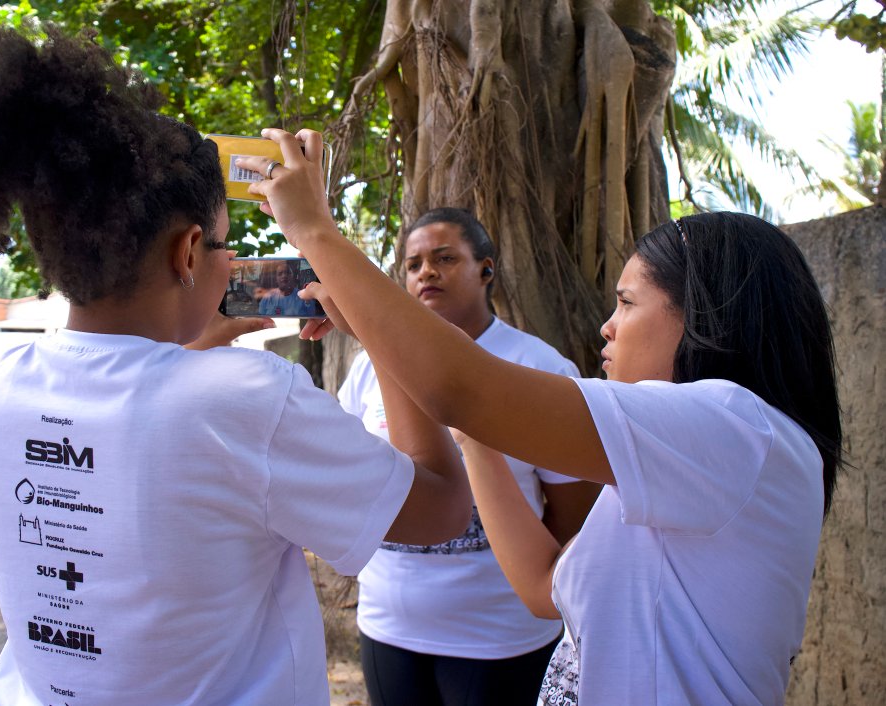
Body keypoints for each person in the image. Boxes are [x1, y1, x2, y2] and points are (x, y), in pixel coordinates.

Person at [0, 26, 471, 706]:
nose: (230, 263)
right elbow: (443, 508)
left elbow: (131, 453)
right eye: (225, 244)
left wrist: (189, 350)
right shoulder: (245, 399)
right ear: (188, 254)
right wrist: (377, 335)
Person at [240, 129, 843, 705]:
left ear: (705, 317)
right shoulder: (689, 457)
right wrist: (391, 354)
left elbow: (462, 389)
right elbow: (539, 583)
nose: (606, 326)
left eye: (627, 303)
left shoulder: (734, 427)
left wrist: (316, 230)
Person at [337, 207, 599, 705]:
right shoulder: (370, 367)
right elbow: (354, 475)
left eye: (443, 258)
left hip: (499, 639)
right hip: (386, 628)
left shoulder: (537, 367)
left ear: (486, 269)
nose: (425, 273)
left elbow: (573, 519)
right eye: (413, 265)